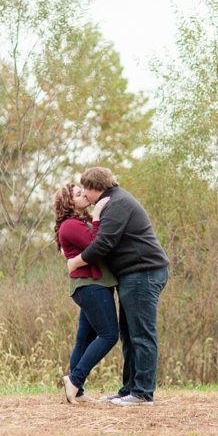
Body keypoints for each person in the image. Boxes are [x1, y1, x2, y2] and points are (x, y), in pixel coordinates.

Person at [66, 167, 169, 407]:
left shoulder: (116, 204)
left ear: (94, 189)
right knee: (129, 334)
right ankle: (129, 390)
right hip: (132, 274)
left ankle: (143, 393)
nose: (86, 197)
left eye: (86, 191)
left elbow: (103, 244)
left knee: (141, 333)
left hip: (143, 272)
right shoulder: (114, 202)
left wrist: (75, 261)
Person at [53, 183, 118, 405]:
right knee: (109, 335)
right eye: (78, 194)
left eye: (84, 192)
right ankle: (75, 379)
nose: (84, 195)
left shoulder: (80, 222)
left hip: (91, 285)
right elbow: (95, 245)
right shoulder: (70, 225)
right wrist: (98, 215)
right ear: (69, 203)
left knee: (84, 339)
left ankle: (76, 392)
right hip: (90, 285)